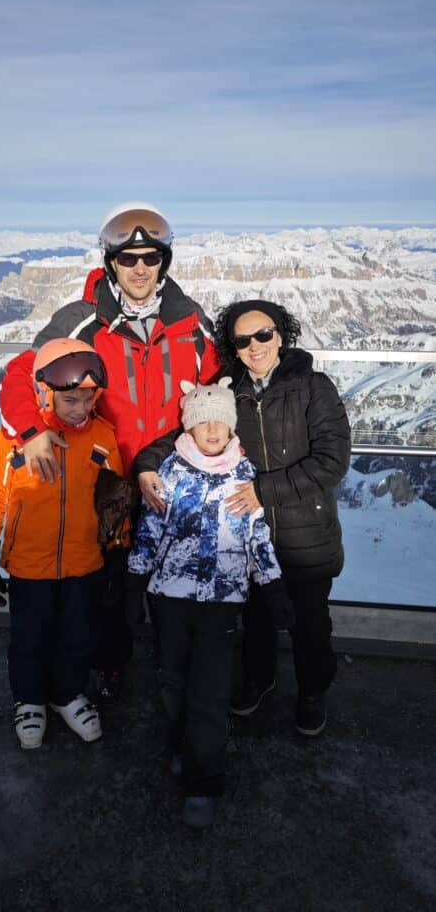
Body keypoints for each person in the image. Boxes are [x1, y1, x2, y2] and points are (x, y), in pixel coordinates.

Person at [0, 203, 220, 696]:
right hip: (104, 481)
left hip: (171, 476)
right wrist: (32, 430)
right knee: (108, 589)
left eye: (150, 257)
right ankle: (109, 667)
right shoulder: (82, 321)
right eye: (128, 259)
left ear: (165, 261)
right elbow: (20, 375)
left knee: (174, 584)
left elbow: (218, 392)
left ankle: (175, 672)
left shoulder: (191, 323)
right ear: (110, 262)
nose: (140, 268)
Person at [134, 300, 351, 738]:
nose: (255, 347)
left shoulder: (313, 387)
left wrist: (261, 491)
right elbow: (186, 435)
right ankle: (258, 678)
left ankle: (311, 692)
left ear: (281, 335)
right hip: (243, 533)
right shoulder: (227, 390)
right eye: (242, 340)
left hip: (305, 534)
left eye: (264, 335)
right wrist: (146, 464)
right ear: (232, 346)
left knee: (310, 623)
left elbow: (333, 460)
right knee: (254, 619)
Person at [126, 378, 293, 828]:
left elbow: (257, 535)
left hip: (222, 599)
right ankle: (182, 746)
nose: (214, 431)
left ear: (232, 427)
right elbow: (149, 530)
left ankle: (204, 779)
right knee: (172, 679)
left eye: (221, 422)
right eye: (204, 423)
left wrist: (272, 584)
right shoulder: (171, 472)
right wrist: (134, 582)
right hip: (171, 597)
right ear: (189, 427)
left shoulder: (244, 474)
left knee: (210, 689)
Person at [0, 339, 130, 750]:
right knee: (29, 638)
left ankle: (67, 695)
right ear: (44, 392)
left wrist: (116, 550)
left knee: (77, 636)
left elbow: (115, 501)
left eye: (88, 399)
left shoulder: (101, 437)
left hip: (83, 561)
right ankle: (30, 699)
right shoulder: (11, 442)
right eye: (70, 399)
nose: (80, 409)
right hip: (29, 563)